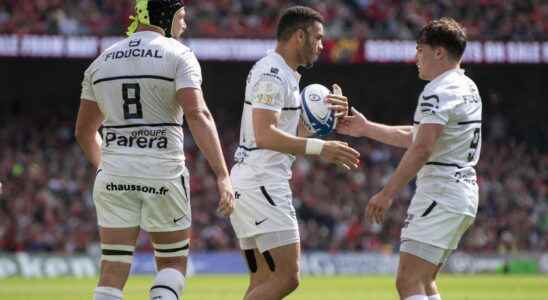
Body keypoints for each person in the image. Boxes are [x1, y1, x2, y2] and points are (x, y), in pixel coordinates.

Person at [75, 1, 235, 299]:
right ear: (166, 16)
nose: (184, 25)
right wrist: (222, 174)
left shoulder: (101, 61)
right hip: (162, 172)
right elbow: (197, 114)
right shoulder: (179, 54)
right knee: (172, 262)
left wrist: (104, 166)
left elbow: (84, 132)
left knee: (111, 272)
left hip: (113, 175)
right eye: (182, 17)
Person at [337, 18, 481, 300]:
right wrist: (366, 129)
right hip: (460, 191)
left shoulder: (437, 92)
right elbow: (416, 137)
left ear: (438, 52)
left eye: (420, 49)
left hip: (440, 192)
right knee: (425, 282)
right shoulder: (466, 86)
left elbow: (421, 148)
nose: (416, 57)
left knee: (408, 282)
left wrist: (387, 192)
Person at [229, 6, 360, 300]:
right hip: (262, 184)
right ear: (299, 36)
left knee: (262, 280)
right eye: (318, 38)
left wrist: (328, 119)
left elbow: (287, 134)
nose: (322, 45)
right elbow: (264, 134)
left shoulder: (284, 74)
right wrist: (321, 148)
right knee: (288, 277)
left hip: (251, 185)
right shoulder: (272, 73)